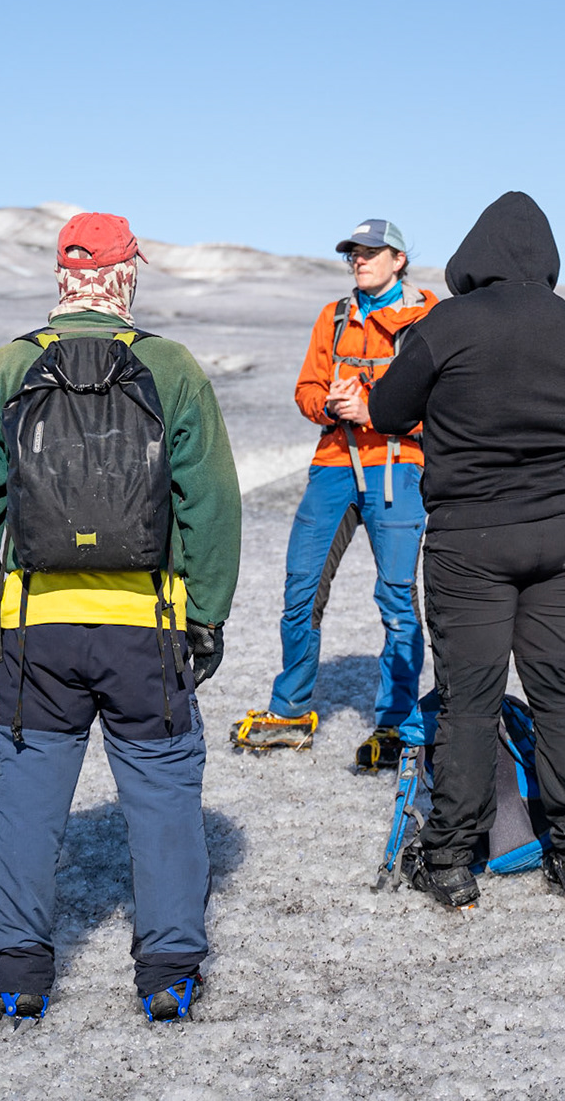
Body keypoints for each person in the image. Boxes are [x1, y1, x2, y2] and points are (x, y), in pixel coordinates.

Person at [0, 212, 241, 1023]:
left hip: (36, 630)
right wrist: (205, 615)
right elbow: (211, 503)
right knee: (164, 792)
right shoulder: (171, 368)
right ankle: (170, 972)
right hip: (145, 630)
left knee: (28, 795)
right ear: (126, 275)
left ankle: (17, 974)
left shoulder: (10, 367)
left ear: (62, 276)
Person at [368, 192, 565, 910]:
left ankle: (448, 859)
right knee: (564, 689)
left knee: (470, 700)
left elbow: (387, 412)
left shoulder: (449, 324)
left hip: (472, 536)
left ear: (474, 254)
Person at [230, 219, 438, 766]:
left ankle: (394, 723)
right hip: (333, 465)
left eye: (370, 253)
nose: (358, 261)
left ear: (398, 259)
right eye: (353, 254)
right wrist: (328, 404)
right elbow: (306, 388)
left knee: (396, 598)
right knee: (300, 590)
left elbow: (446, 405)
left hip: (398, 467)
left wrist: (377, 409)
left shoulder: (430, 322)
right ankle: (291, 708)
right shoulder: (335, 316)